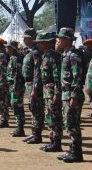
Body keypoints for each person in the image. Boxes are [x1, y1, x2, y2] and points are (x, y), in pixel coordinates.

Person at [55, 27, 84, 163]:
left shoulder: (73, 55)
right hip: (67, 94)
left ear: (66, 40)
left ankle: (76, 153)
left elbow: (77, 77)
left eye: (60, 38)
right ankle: (72, 151)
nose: (58, 41)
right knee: (69, 123)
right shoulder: (66, 54)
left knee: (73, 124)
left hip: (73, 96)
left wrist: (74, 96)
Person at [34, 32, 63, 153]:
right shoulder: (44, 55)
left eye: (40, 42)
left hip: (52, 91)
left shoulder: (53, 56)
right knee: (49, 116)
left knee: (55, 117)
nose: (38, 45)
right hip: (46, 91)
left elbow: (57, 77)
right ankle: (52, 141)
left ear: (46, 43)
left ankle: (57, 143)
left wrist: (57, 93)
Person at [21, 28, 45, 144]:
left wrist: (35, 88)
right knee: (33, 108)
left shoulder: (36, 53)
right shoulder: (30, 51)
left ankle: (37, 135)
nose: (24, 40)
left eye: (26, 38)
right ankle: (34, 133)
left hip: (35, 85)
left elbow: (37, 72)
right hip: (29, 84)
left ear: (32, 39)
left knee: (37, 110)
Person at [5, 41, 25, 132]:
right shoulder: (12, 57)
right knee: (14, 105)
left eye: (8, 47)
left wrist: (17, 87)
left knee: (17, 105)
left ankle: (20, 128)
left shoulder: (16, 58)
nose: (6, 49)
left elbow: (18, 74)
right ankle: (19, 127)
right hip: (13, 85)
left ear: (12, 48)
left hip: (16, 86)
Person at [83, 38, 92, 118]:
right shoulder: (86, 53)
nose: (86, 47)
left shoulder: (87, 53)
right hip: (89, 77)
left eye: (88, 45)